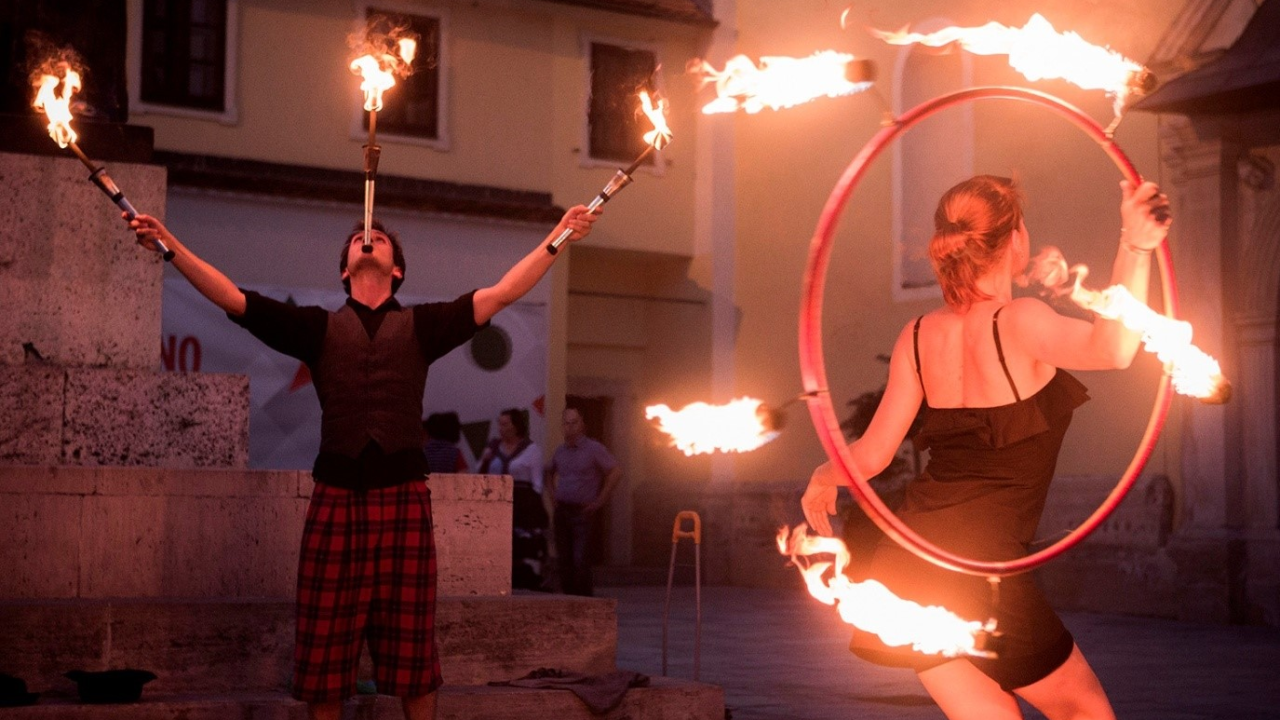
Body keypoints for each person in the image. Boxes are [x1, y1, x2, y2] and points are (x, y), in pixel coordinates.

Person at [127, 206, 599, 720]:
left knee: (413, 651)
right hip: (336, 499)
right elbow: (232, 298)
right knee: (325, 655)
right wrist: (169, 245)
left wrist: (559, 236)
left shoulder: (425, 325)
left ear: (397, 270)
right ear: (344, 271)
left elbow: (504, 291)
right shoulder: (314, 328)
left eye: (376, 236)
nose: (365, 237)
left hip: (403, 501)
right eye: (357, 238)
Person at [801, 175, 1170, 720]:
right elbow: (1115, 349)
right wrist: (1135, 244)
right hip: (979, 573)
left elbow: (873, 456)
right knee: (1083, 710)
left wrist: (821, 475)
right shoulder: (1021, 321)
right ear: (1014, 238)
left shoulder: (919, 334)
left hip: (911, 561)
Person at [546, 406, 621, 596]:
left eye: (574, 422)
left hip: (582, 512)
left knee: (580, 560)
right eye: (566, 423)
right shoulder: (560, 451)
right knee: (564, 560)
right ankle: (568, 601)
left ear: (582, 424)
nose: (570, 427)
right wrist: (552, 495)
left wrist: (600, 500)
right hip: (562, 511)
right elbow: (548, 471)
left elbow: (615, 472)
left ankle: (584, 601)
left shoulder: (594, 448)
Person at [477, 408, 547, 590]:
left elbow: (537, 482)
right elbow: (479, 472)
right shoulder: (493, 447)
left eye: (505, 424)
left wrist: (533, 508)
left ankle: (522, 579)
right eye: (499, 424)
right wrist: (485, 460)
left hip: (522, 504)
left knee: (519, 544)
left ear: (516, 426)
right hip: (496, 503)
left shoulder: (531, 450)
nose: (501, 428)